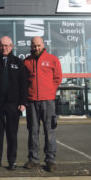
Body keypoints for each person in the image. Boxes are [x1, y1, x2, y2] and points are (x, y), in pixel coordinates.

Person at [0, 36, 27, 170]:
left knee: (12, 134)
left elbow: (23, 84)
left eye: (7, 45)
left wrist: (22, 102)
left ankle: (12, 161)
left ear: (12, 46)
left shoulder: (18, 63)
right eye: (2, 45)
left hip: (13, 104)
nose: (4, 48)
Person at [24, 36, 62, 172]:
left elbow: (58, 78)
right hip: (32, 101)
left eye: (38, 45)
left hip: (48, 101)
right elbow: (23, 81)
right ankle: (33, 159)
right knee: (33, 131)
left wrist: (50, 91)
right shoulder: (26, 62)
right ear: (31, 46)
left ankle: (51, 160)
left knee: (49, 130)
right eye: (34, 46)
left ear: (43, 45)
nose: (36, 48)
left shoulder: (52, 60)